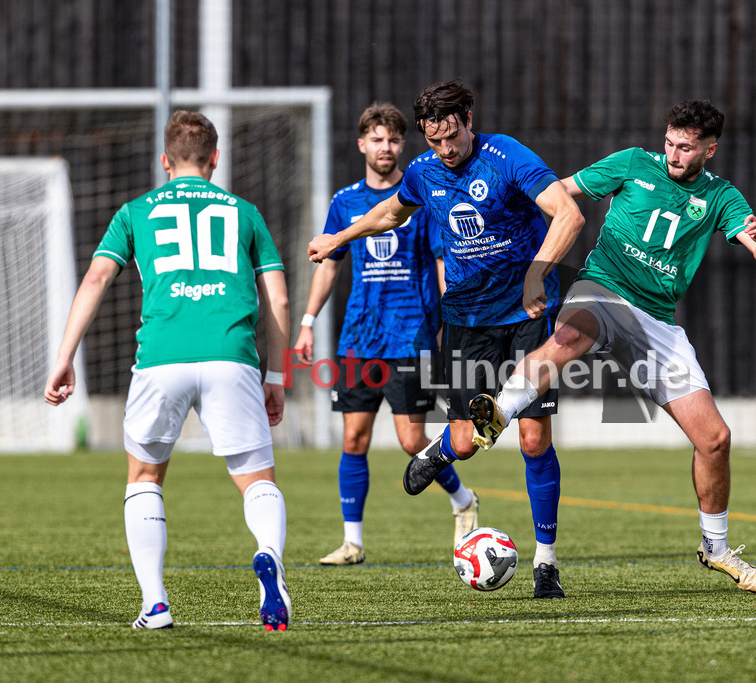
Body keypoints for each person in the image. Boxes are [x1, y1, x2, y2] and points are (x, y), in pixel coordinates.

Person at [469, 99, 756, 593]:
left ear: (709, 149)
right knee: (569, 335)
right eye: (670, 143)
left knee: (715, 439)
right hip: (603, 288)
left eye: (686, 147)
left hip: (655, 321)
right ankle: (498, 412)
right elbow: (562, 193)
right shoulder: (633, 163)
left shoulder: (721, 197)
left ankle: (716, 549)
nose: (674, 154)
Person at [308, 80, 585, 598]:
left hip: (525, 315)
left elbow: (568, 214)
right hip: (466, 320)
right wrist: (340, 238)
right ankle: (442, 451)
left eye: (452, 136)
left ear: (468, 118)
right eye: (435, 141)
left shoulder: (507, 156)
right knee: (464, 442)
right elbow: (391, 212)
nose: (445, 150)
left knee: (533, 440)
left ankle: (545, 564)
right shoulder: (423, 171)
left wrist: (536, 274)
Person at [44, 111, 293, 630]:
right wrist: (276, 377)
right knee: (256, 480)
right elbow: (279, 298)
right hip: (231, 355)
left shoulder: (135, 211)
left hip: (161, 357)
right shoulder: (245, 212)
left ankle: (155, 602)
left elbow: (94, 280)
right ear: (215, 160)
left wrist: (65, 356)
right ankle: (269, 555)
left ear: (165, 161)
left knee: (144, 477)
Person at [293, 102, 479, 564]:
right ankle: (352, 542)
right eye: (377, 139)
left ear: (402, 145)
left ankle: (463, 499)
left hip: (412, 334)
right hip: (360, 335)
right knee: (353, 439)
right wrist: (307, 322)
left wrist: (449, 321)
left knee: (412, 442)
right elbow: (328, 265)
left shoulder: (419, 193)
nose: (386, 147)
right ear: (362, 145)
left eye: (394, 139)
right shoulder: (345, 202)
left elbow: (441, 260)